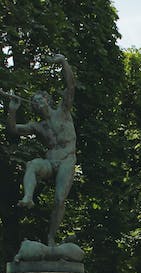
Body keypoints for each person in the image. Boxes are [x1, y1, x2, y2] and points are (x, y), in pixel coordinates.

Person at [8, 53, 76, 247]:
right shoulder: (37, 126)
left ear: (47, 99)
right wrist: (12, 111)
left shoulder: (63, 112)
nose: (37, 104)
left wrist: (64, 62)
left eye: (39, 100)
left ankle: (51, 237)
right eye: (34, 103)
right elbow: (13, 130)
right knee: (32, 165)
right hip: (50, 162)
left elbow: (70, 86)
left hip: (66, 160)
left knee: (58, 199)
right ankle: (28, 197)